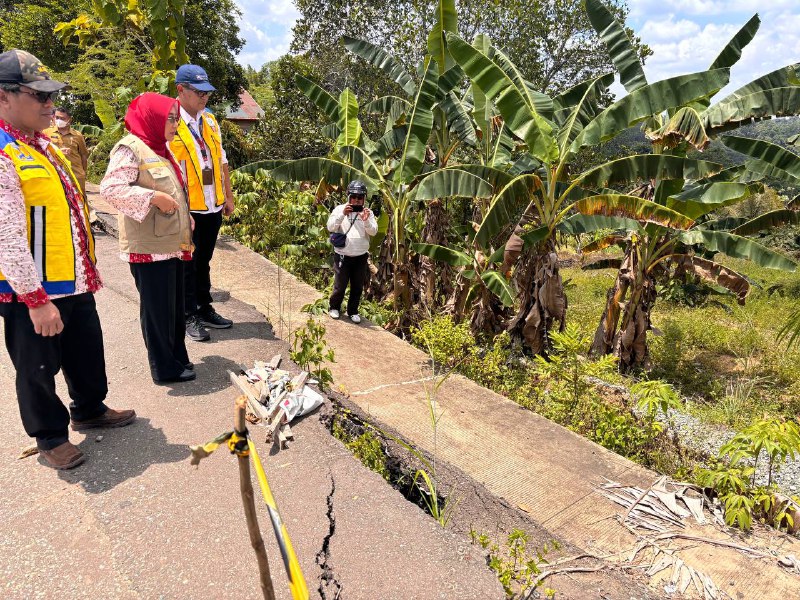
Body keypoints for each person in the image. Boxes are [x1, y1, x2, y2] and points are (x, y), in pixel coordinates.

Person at [0, 49, 135, 470]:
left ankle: (90, 407)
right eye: (38, 96)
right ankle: (50, 437)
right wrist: (35, 299)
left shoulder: (44, 144)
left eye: (51, 95)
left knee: (85, 351)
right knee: (38, 367)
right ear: (4, 96)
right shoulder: (5, 152)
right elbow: (5, 235)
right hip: (34, 291)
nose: (50, 104)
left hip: (74, 279)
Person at [100, 92, 195, 384]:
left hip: (170, 243)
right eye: (170, 118)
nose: (175, 124)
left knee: (174, 309)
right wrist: (152, 197)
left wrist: (184, 215)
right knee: (157, 312)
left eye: (177, 119)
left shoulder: (159, 149)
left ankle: (177, 357)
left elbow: (175, 191)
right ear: (151, 117)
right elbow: (111, 189)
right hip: (149, 248)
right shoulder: (130, 149)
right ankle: (164, 368)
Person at [169, 64, 235, 343]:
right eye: (198, 92)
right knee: (187, 263)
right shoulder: (170, 121)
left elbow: (221, 161)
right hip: (188, 207)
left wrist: (228, 197)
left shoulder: (209, 120)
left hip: (212, 204)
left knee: (204, 260)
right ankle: (187, 315)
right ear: (180, 90)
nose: (204, 97)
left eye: (207, 92)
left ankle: (204, 307)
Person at [326, 181, 377, 324]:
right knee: (340, 285)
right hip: (343, 255)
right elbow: (330, 227)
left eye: (359, 197)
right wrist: (342, 214)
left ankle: (352, 311)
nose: (356, 200)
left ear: (364, 199)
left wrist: (366, 221)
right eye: (353, 197)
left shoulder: (368, 212)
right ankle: (334, 307)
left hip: (361, 256)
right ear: (348, 196)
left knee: (357, 286)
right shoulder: (339, 209)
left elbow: (373, 231)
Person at [44, 106, 94, 222]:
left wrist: (83, 172)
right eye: (57, 117)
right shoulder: (46, 132)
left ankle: (84, 222)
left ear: (69, 120)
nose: (58, 120)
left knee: (80, 199)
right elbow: (41, 151)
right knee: (58, 198)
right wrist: (57, 153)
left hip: (76, 174)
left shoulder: (77, 135)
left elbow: (84, 155)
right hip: (55, 173)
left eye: (62, 118)